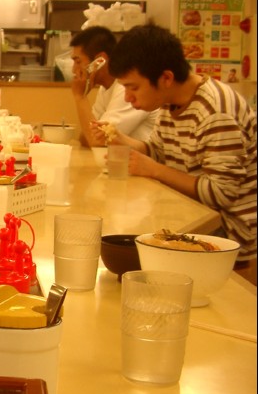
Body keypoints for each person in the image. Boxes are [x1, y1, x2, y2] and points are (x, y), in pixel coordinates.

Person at [104, 22, 257, 269]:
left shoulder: (216, 111)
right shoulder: (169, 103)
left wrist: (154, 170)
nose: (128, 97)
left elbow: (222, 194)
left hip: (226, 234)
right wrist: (121, 140)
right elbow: (158, 151)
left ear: (166, 78)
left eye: (133, 87)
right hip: (192, 216)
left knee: (129, 256)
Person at [70, 26, 157, 147]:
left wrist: (80, 96)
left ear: (99, 61)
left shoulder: (127, 88)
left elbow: (97, 142)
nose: (74, 70)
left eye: (78, 61)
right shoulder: (105, 88)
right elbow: (85, 138)